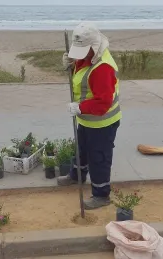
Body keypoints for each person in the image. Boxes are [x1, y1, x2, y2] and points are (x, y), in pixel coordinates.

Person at [57, 22, 121, 210]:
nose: (80, 55)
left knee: (98, 157)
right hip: (87, 119)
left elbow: (103, 103)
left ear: (93, 47)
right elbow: (83, 69)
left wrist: (80, 107)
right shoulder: (90, 57)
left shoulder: (102, 68)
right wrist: (72, 64)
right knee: (82, 148)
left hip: (102, 123)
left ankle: (101, 195)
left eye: (83, 51)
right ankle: (76, 176)